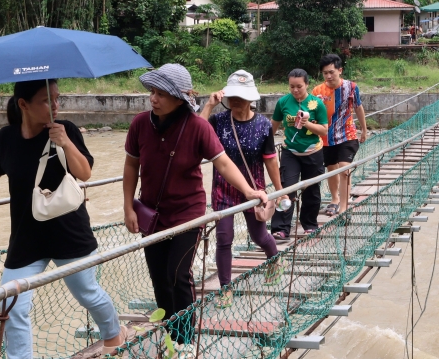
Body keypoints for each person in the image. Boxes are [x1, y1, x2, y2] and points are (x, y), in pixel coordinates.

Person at [0, 79, 125, 359]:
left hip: (69, 234)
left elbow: (84, 173)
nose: (55, 106)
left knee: (87, 293)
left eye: (57, 99)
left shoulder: (65, 129)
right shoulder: (6, 138)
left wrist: (66, 143)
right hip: (27, 240)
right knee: (11, 303)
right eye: (46, 101)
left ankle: (112, 334)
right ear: (23, 105)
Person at [122, 64, 267, 341]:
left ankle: (186, 339)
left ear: (180, 98)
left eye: (161, 94)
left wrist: (249, 191)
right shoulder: (140, 124)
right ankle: (170, 336)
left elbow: (222, 162)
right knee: (159, 279)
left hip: (187, 212)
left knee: (177, 275)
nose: (154, 99)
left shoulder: (198, 126)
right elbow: (131, 166)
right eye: (152, 92)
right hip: (151, 214)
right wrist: (128, 206)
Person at [199, 70, 285, 305]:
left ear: (251, 98)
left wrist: (279, 190)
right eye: (232, 96)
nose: (236, 101)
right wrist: (208, 105)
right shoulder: (218, 121)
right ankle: (226, 287)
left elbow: (269, 159)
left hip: (253, 189)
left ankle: (275, 260)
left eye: (241, 97)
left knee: (259, 235)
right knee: (224, 237)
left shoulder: (264, 125)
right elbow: (195, 131)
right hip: (223, 189)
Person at [270, 69, 328, 240]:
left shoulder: (317, 104)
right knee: (286, 189)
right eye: (292, 87)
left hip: (313, 152)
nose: (295, 90)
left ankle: (309, 224)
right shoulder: (283, 102)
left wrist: (307, 124)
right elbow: (273, 126)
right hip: (290, 152)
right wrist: (266, 147)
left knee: (312, 190)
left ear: (307, 85)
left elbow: (324, 130)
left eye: (299, 87)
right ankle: (281, 228)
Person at [312, 54, 367, 217]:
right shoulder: (317, 91)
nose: (328, 76)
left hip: (347, 134)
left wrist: (363, 129)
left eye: (331, 72)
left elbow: (358, 107)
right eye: (325, 73)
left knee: (344, 169)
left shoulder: (351, 87)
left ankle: (344, 207)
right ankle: (335, 199)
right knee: (331, 169)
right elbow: (313, 113)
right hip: (326, 137)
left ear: (340, 70)